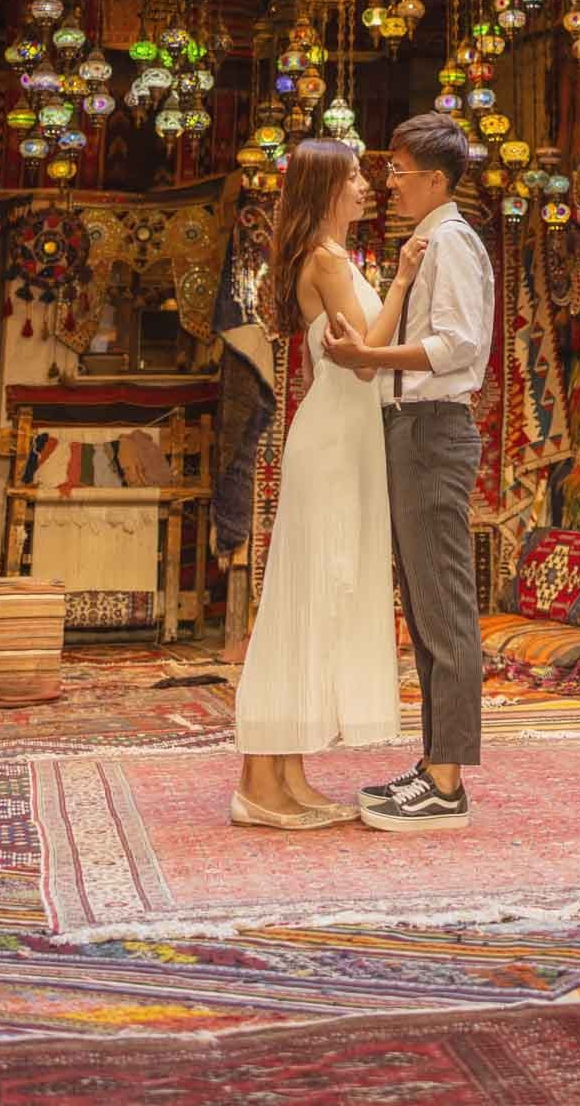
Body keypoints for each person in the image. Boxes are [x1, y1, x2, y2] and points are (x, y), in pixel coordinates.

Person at [229, 136, 429, 830]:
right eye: (353, 179)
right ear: (325, 190)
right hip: (336, 443)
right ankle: (259, 781)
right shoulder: (327, 258)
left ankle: (285, 773)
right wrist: (402, 279)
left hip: (345, 438)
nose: (366, 188)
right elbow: (367, 360)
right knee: (306, 596)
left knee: (319, 596)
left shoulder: (329, 258)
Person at [322, 108, 493, 833]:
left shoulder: (451, 242)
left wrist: (368, 360)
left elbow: (455, 347)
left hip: (430, 428)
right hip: (409, 430)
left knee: (443, 603)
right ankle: (433, 766)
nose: (388, 183)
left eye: (396, 171)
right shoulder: (424, 244)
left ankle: (448, 781)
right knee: (423, 605)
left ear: (433, 178)